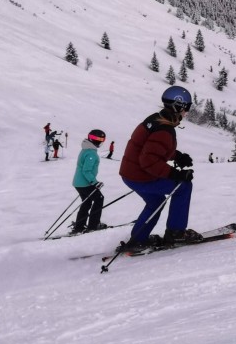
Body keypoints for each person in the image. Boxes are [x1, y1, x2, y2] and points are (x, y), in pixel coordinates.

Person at [118, 87, 200, 251]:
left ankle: (139, 239)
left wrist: (176, 156)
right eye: (187, 108)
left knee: (156, 202)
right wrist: (176, 174)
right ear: (178, 106)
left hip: (130, 174)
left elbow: (151, 148)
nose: (187, 113)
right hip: (142, 175)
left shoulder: (157, 119)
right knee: (183, 187)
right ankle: (176, 234)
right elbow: (149, 161)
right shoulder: (164, 129)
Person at [71, 129, 107, 233]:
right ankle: (93, 225)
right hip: (85, 183)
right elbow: (86, 171)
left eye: (102, 139)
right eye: (98, 139)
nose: (100, 141)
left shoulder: (86, 149)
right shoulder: (91, 153)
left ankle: (79, 226)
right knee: (99, 199)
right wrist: (95, 182)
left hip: (79, 183)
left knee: (86, 202)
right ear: (92, 138)